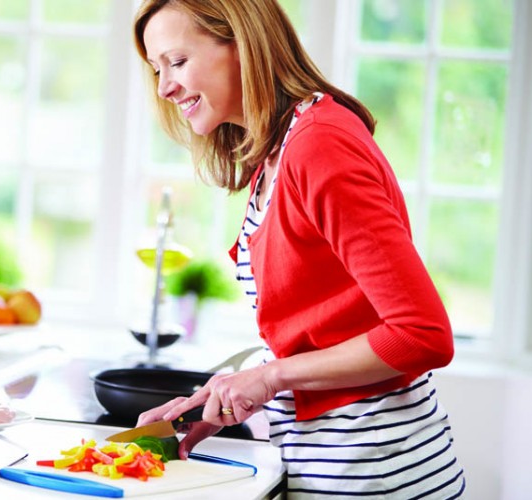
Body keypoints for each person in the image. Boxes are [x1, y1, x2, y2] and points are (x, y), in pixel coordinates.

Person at [133, 1, 466, 497]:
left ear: (243, 45)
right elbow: (320, 333)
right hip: (326, 465)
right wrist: (222, 396)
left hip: (374, 474)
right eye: (158, 69)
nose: (164, 87)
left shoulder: (320, 145)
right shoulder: (276, 151)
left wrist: (271, 377)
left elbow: (422, 334)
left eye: (177, 62)